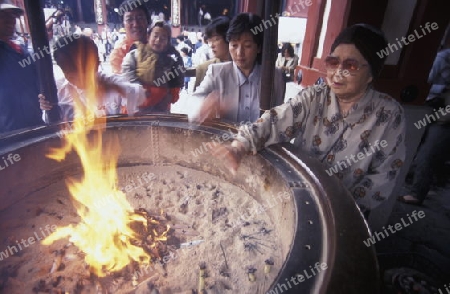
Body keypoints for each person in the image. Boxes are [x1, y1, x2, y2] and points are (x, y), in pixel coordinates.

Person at [209, 24, 406, 217]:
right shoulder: (315, 97)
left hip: (344, 212)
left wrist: (342, 204)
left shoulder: (388, 115)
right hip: (299, 195)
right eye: (333, 62)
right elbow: (274, 121)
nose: (338, 73)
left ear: (371, 73)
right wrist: (239, 146)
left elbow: (383, 177)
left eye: (351, 66)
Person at [189, 13, 285, 124]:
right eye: (234, 45)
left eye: (247, 46)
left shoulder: (275, 76)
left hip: (262, 141)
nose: (239, 53)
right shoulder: (217, 73)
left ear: (258, 47)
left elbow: (279, 118)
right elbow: (193, 102)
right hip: (223, 140)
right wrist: (203, 107)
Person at [38, 35, 145, 122]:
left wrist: (115, 88)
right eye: (68, 72)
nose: (75, 78)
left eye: (83, 70)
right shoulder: (59, 90)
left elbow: (141, 96)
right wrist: (46, 107)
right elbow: (50, 123)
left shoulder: (112, 82)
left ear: (97, 64)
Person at [398, 30, 450, 205]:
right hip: (435, 109)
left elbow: (423, 81)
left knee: (427, 153)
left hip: (441, 114)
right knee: (423, 150)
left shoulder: (443, 57)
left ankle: (417, 192)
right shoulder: (444, 58)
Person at [121, 20, 185, 113]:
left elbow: (178, 81)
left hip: (161, 110)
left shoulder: (173, 60)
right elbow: (127, 75)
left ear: (168, 42)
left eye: (163, 38)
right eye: (155, 36)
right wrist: (142, 91)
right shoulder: (134, 55)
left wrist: (170, 95)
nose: (158, 40)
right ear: (148, 36)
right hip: (136, 109)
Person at [0, 2, 43, 134]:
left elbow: (38, 80)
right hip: (8, 130)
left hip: (35, 121)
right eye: (3, 16)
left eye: (12, 16)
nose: (11, 20)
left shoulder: (22, 51)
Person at [110, 0, 149, 74]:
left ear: (147, 21)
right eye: (129, 19)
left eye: (140, 18)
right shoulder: (118, 54)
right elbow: (123, 83)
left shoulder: (159, 45)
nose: (135, 24)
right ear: (123, 24)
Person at [193, 16, 231, 91]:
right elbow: (197, 100)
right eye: (210, 40)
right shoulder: (204, 68)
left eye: (216, 39)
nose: (211, 45)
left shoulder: (243, 66)